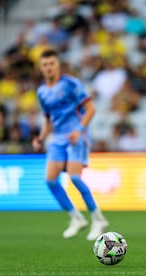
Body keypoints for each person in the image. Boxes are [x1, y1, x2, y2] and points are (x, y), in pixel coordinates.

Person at [32, 49, 109, 241]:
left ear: (58, 65)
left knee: (75, 177)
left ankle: (98, 218)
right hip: (57, 138)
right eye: (45, 65)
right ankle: (76, 218)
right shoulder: (42, 92)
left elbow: (91, 109)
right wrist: (41, 137)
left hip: (76, 134)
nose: (49, 67)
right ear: (41, 68)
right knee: (50, 180)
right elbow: (49, 118)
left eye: (52, 63)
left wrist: (79, 129)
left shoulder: (71, 84)